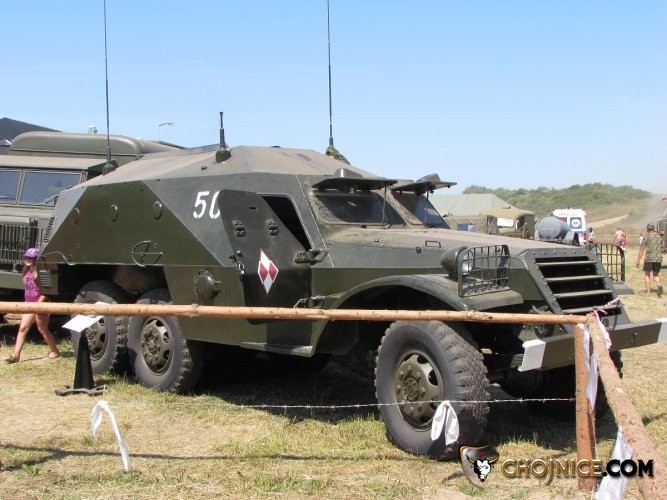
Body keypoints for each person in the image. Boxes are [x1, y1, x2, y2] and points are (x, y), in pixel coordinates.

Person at [5, 248, 60, 363]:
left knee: (42, 329)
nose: (27, 260)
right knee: (23, 328)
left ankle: (54, 351)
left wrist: (38, 305)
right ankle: (16, 355)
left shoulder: (42, 272)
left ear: (36, 259)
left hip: (41, 305)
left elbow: (46, 292)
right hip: (29, 304)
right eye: (26, 257)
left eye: (31, 258)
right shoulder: (26, 272)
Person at [636, 223, 663, 297]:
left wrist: (638, 260)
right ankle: (659, 284)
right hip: (658, 259)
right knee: (656, 275)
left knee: (647, 274)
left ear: (647, 229)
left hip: (649, 259)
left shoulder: (646, 236)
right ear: (653, 229)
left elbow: (641, 249)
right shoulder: (659, 237)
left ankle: (648, 292)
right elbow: (661, 248)